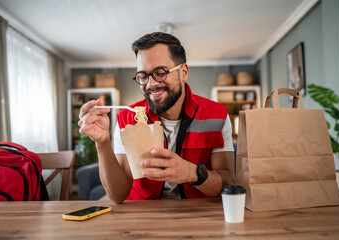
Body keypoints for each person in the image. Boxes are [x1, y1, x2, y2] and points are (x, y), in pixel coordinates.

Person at [78, 32, 235, 203]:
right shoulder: (126, 119)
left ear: (183, 72)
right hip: (143, 215)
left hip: (198, 214)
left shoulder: (217, 114)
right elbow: (118, 195)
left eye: (160, 72)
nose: (150, 84)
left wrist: (193, 172)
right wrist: (102, 142)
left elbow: (227, 183)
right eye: (143, 76)